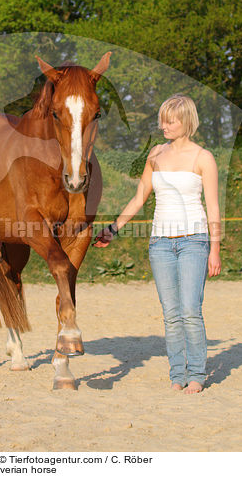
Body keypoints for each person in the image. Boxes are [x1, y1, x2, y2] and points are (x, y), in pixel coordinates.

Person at [93, 94, 221, 394]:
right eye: (162, 118)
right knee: (171, 314)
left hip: (194, 241)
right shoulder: (155, 154)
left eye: (170, 120)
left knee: (190, 310)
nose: (163, 125)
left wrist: (214, 248)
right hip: (160, 243)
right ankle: (177, 374)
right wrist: (114, 228)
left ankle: (197, 374)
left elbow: (213, 208)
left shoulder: (204, 158)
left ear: (186, 122)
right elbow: (140, 196)